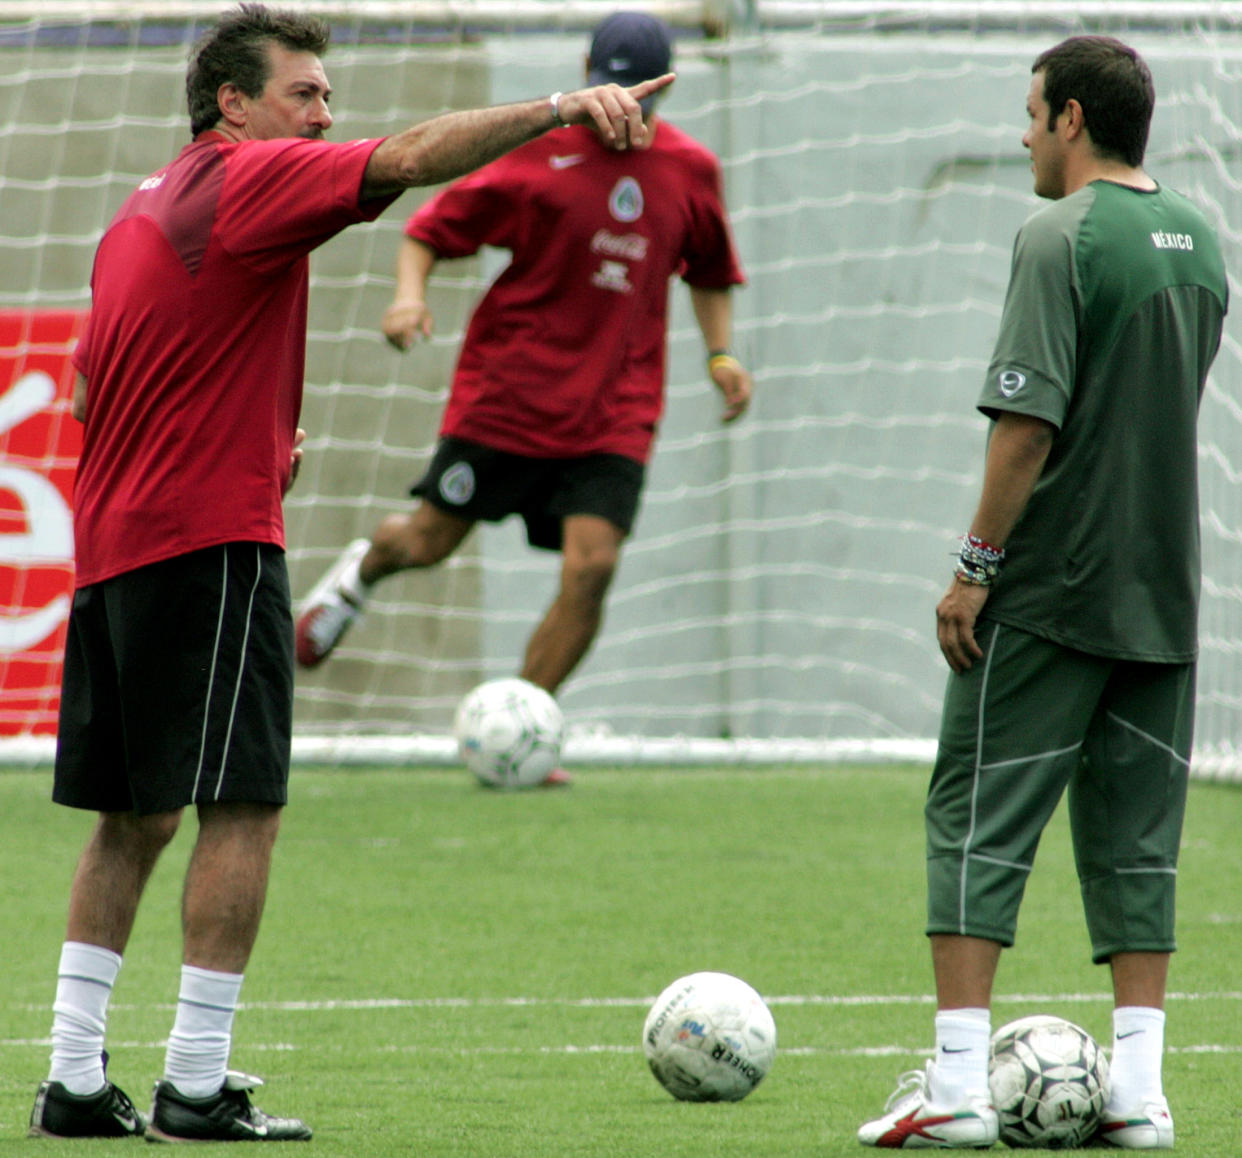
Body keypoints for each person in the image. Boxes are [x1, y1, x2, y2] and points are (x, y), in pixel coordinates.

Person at [28, 2, 671, 1143]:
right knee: (245, 806)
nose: (328, 113)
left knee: (134, 817)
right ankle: (194, 1081)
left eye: (328, 97)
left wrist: (244, 432)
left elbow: (89, 389)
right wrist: (562, 108)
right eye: (306, 93)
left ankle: (74, 1080)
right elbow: (414, 161)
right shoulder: (253, 176)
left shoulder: (139, 208)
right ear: (234, 103)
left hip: (114, 548)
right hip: (209, 542)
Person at [857, 36, 1226, 1151]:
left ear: (1071, 118)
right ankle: (1144, 1098)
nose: (1021, 136)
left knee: (975, 815)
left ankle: (962, 1085)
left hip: (1054, 585)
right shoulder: (1202, 241)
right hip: (1162, 593)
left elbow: (1029, 424)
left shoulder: (1057, 234)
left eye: (1029, 115)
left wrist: (974, 568)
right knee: (1139, 841)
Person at [293, 11, 752, 778]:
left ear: (662, 90)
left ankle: (519, 728)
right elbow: (430, 230)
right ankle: (363, 571)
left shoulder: (690, 170)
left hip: (615, 410)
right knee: (428, 542)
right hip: (507, 395)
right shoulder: (536, 151)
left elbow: (708, 270)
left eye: (638, 97)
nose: (621, 110)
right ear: (586, 73)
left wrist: (723, 354)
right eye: (608, 91)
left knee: (593, 566)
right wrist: (408, 298)